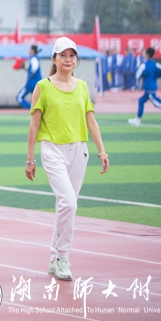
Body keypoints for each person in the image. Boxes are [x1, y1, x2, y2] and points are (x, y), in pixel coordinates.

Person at [25, 36, 109, 281]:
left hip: (79, 150)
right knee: (68, 203)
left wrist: (102, 151)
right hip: (52, 150)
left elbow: (91, 121)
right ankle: (63, 257)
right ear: (54, 59)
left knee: (66, 206)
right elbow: (34, 125)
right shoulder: (43, 86)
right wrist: (30, 159)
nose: (68, 59)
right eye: (63, 55)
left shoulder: (82, 86)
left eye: (72, 55)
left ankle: (54, 258)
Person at [129, 47, 161, 126]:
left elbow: (137, 75)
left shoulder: (144, 65)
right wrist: (155, 76)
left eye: (144, 52)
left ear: (147, 54)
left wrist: (144, 76)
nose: (143, 53)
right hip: (151, 85)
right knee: (141, 101)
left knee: (156, 102)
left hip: (149, 87)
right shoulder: (156, 64)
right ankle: (138, 119)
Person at [16, 45, 42, 109]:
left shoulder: (33, 58)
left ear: (33, 50)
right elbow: (32, 69)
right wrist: (24, 68)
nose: (29, 50)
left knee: (19, 97)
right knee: (36, 100)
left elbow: (34, 68)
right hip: (37, 83)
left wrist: (30, 74)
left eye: (30, 49)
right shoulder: (35, 58)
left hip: (31, 83)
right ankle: (34, 110)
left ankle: (30, 108)